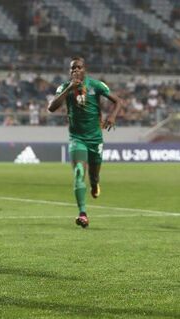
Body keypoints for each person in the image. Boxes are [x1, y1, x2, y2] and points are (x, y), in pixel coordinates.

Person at [48, 56, 121, 228]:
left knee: (93, 175)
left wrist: (112, 116)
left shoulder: (96, 85)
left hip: (95, 138)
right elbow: (51, 108)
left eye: (78, 67)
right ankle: (82, 213)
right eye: (72, 68)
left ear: (84, 69)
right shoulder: (65, 87)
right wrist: (69, 89)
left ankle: (95, 184)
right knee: (79, 172)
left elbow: (118, 101)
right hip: (77, 138)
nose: (75, 70)